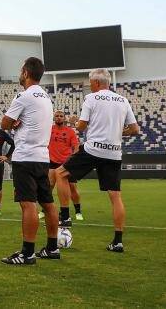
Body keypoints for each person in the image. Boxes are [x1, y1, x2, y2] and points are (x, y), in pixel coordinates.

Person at [54, 68, 139, 252]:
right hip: (114, 153)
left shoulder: (91, 98)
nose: (89, 85)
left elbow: (82, 127)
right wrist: (117, 133)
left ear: (97, 83)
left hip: (93, 149)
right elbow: (135, 130)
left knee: (60, 174)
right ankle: (118, 241)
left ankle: (65, 216)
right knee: (115, 196)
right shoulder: (123, 100)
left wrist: (76, 122)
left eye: (90, 82)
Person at [0, 57, 60, 265]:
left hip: (25, 157)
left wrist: (15, 123)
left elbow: (5, 122)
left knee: (28, 205)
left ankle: (27, 253)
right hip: (43, 157)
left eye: (21, 70)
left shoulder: (24, 96)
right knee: (48, 204)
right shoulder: (45, 96)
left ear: (26, 73)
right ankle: (52, 248)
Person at [48, 111, 81, 222]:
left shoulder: (70, 131)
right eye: (57, 116)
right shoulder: (49, 129)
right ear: (54, 118)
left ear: (64, 118)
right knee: (50, 185)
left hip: (66, 162)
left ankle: (78, 210)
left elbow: (76, 147)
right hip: (52, 161)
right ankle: (45, 210)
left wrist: (74, 159)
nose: (59, 118)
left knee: (72, 187)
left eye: (61, 116)